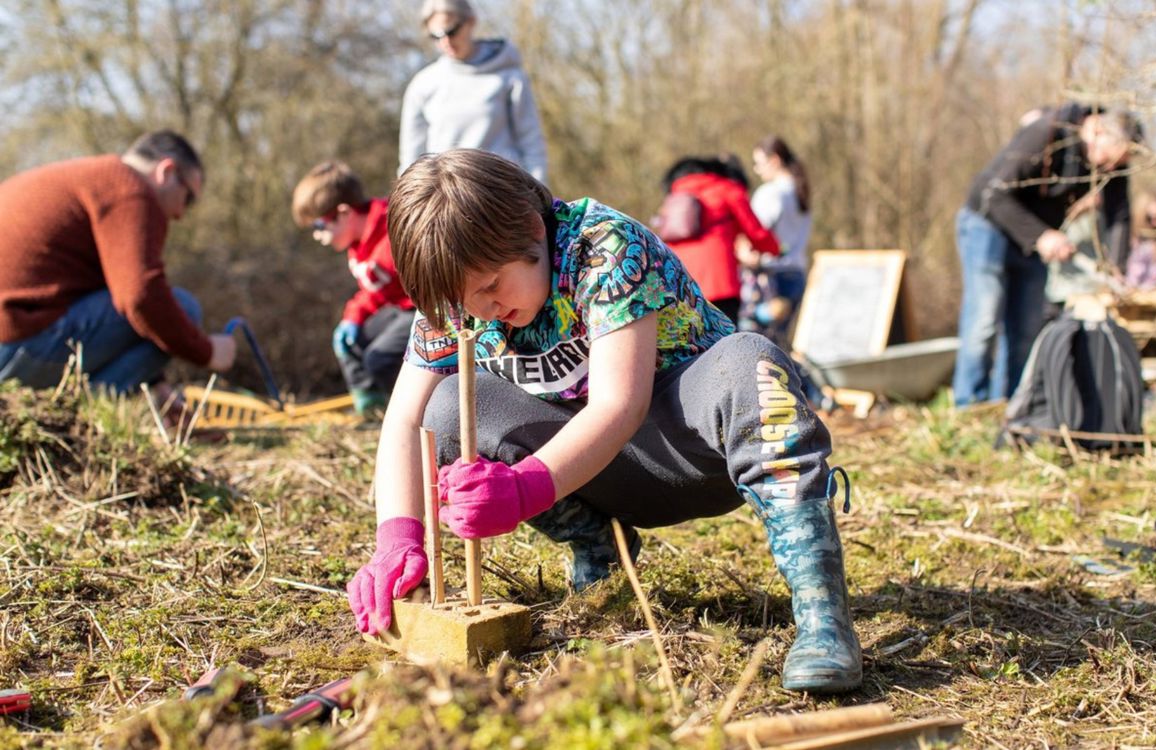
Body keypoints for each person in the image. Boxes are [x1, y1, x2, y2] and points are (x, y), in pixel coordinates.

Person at [346, 149, 862, 693]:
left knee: (749, 361)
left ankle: (822, 614)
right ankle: (600, 548)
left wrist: (523, 488)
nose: (481, 312)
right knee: (447, 408)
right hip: (594, 476)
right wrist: (397, 537)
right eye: (463, 300)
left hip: (692, 453)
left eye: (493, 285)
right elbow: (406, 420)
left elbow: (621, 404)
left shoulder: (603, 248)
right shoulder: (460, 300)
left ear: (529, 229)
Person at [0, 130, 235, 397]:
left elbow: (115, 297)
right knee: (184, 308)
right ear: (166, 171)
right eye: (188, 198)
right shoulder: (129, 188)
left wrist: (157, 385)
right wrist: (207, 352)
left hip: (16, 341)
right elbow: (141, 297)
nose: (180, 214)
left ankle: (89, 406)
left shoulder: (86, 178)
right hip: (16, 345)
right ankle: (85, 411)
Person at [952, 103, 1141, 406]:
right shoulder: (1047, 133)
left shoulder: (1113, 163)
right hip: (987, 225)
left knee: (1027, 328)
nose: (1108, 169)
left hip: (1035, 237)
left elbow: (1119, 214)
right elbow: (994, 193)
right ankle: (969, 404)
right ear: (1097, 131)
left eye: (1117, 165)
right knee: (984, 320)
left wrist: (1115, 265)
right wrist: (1040, 235)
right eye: (1110, 158)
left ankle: (1014, 406)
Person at [292, 161, 417, 415]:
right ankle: (370, 408)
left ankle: (407, 414)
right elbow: (373, 292)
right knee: (352, 342)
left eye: (319, 226)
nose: (317, 236)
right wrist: (353, 318)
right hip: (398, 309)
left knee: (379, 359)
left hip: (423, 310)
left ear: (344, 213)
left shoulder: (393, 233)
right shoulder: (357, 246)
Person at [398, 0, 548, 183]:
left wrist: (540, 198)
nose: (445, 41)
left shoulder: (509, 77)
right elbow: (411, 159)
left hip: (503, 193)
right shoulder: (423, 84)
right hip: (446, 197)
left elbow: (532, 145)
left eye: (451, 31)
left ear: (471, 21)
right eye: (435, 36)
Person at [659, 156, 780, 322]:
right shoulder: (728, 189)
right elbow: (756, 233)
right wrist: (776, 249)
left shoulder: (674, 196)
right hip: (720, 285)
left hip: (680, 284)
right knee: (726, 344)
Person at [739, 136, 813, 338]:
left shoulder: (771, 193)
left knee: (755, 346)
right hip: (796, 275)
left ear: (775, 160)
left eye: (759, 163)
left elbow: (754, 233)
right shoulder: (800, 192)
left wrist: (742, 254)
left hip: (770, 280)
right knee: (778, 346)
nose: (756, 169)